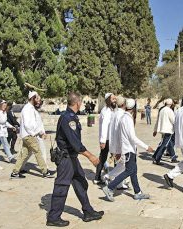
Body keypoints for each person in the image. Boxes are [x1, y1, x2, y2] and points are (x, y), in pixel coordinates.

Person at [46, 92, 104, 227]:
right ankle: (53, 217)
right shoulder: (68, 119)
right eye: (81, 102)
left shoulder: (70, 116)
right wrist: (91, 156)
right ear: (78, 103)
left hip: (72, 158)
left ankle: (88, 211)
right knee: (62, 186)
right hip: (66, 159)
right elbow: (75, 143)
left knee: (80, 182)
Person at [102, 99, 154, 201]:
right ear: (134, 108)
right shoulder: (127, 119)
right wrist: (146, 147)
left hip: (129, 149)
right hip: (129, 150)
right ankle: (109, 187)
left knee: (133, 171)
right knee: (129, 170)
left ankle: (137, 192)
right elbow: (132, 138)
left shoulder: (124, 117)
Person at [10, 91, 54, 179]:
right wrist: (35, 133)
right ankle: (45, 172)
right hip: (29, 135)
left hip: (28, 135)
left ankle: (15, 172)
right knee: (38, 152)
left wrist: (40, 131)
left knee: (24, 154)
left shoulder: (31, 108)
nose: (38, 101)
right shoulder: (27, 109)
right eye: (37, 98)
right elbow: (27, 124)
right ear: (33, 98)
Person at [104, 96, 129, 190]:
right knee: (124, 165)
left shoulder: (114, 113)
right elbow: (120, 132)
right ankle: (109, 176)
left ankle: (119, 183)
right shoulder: (122, 115)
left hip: (114, 143)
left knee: (120, 164)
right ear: (124, 104)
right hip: (120, 144)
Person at [94, 93, 116, 184]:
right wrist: (103, 141)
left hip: (109, 138)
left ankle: (97, 177)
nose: (115, 100)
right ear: (108, 100)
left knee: (104, 158)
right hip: (107, 139)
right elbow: (104, 126)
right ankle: (116, 179)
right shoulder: (106, 111)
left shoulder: (110, 110)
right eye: (113, 99)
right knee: (113, 157)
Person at [152, 98, 178, 164]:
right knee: (164, 145)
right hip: (168, 130)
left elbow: (157, 121)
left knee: (163, 144)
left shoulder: (162, 110)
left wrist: (155, 130)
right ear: (171, 104)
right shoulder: (169, 111)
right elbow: (174, 121)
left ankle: (155, 156)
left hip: (162, 130)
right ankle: (157, 159)